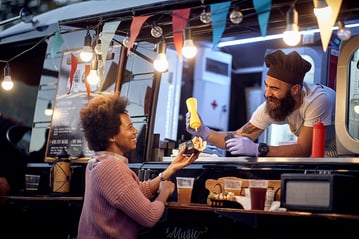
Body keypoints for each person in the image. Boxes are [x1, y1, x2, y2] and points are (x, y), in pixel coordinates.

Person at [77, 94, 199, 239]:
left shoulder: (98, 161)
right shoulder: (111, 167)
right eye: (129, 127)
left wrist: (170, 169)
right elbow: (149, 216)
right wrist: (164, 192)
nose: (135, 131)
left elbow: (134, 193)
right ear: (111, 136)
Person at [186, 50, 336, 157]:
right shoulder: (270, 106)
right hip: (317, 157)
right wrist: (205, 132)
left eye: (275, 88)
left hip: (344, 154)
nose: (267, 93)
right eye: (266, 86)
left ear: (295, 89)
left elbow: (304, 149)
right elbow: (238, 137)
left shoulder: (318, 100)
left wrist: (259, 149)